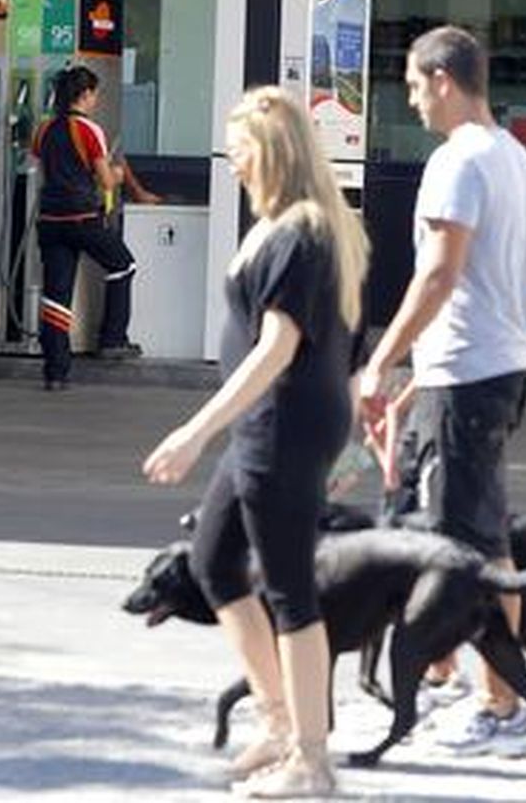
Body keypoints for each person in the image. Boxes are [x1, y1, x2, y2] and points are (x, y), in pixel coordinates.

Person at [142, 87, 369, 799]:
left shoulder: (303, 234)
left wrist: (195, 429)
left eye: (239, 148)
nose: (232, 162)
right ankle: (278, 723)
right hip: (272, 427)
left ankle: (311, 757)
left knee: (290, 590)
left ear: (269, 153)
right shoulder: (292, 228)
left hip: (281, 426)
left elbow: (281, 349)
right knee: (213, 560)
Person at [358, 25, 526, 758]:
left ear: (445, 81)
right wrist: (494, 326)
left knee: (473, 548)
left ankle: (502, 707)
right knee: (459, 535)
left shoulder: (459, 162)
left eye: (416, 88)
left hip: (472, 376)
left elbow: (439, 273)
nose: (414, 103)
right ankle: (458, 676)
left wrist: (380, 360)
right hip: (489, 368)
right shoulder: (522, 164)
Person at [31, 65, 145, 391]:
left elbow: (44, 168)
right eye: (94, 94)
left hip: (50, 221)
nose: (95, 100)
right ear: (84, 94)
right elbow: (106, 180)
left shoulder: (43, 130)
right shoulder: (89, 130)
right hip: (83, 218)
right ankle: (112, 338)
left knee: (56, 297)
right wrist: (120, 175)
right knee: (123, 265)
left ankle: (56, 373)